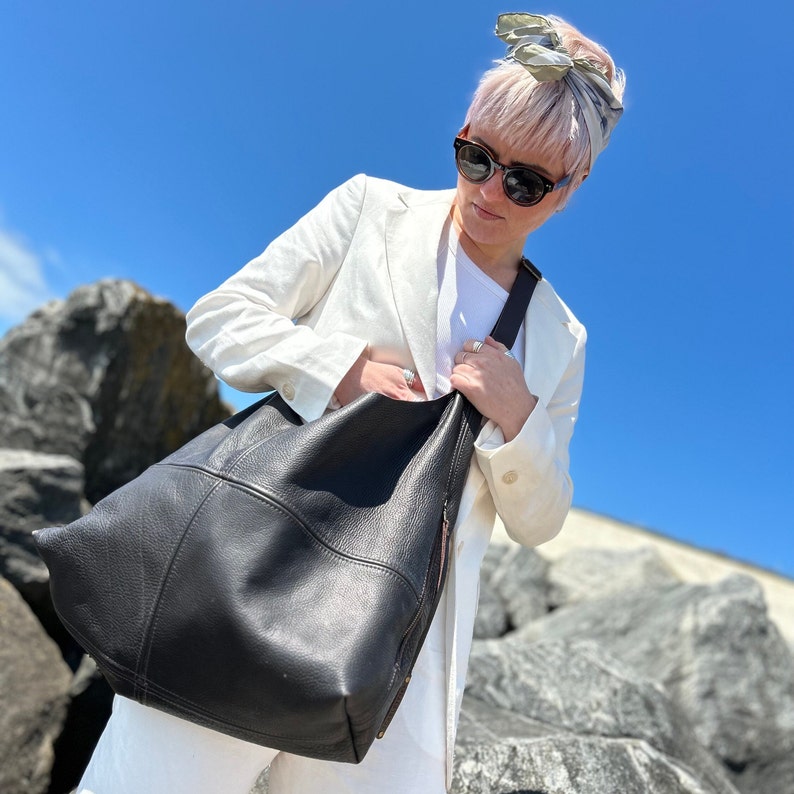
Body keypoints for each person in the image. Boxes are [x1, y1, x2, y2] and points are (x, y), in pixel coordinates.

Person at [77, 12, 624, 794]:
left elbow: (542, 519)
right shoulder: (372, 209)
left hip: (400, 660)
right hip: (253, 580)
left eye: (527, 181)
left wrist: (519, 415)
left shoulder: (558, 335)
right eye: (476, 157)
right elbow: (222, 317)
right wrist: (340, 368)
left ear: (570, 189)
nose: (490, 191)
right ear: (463, 134)